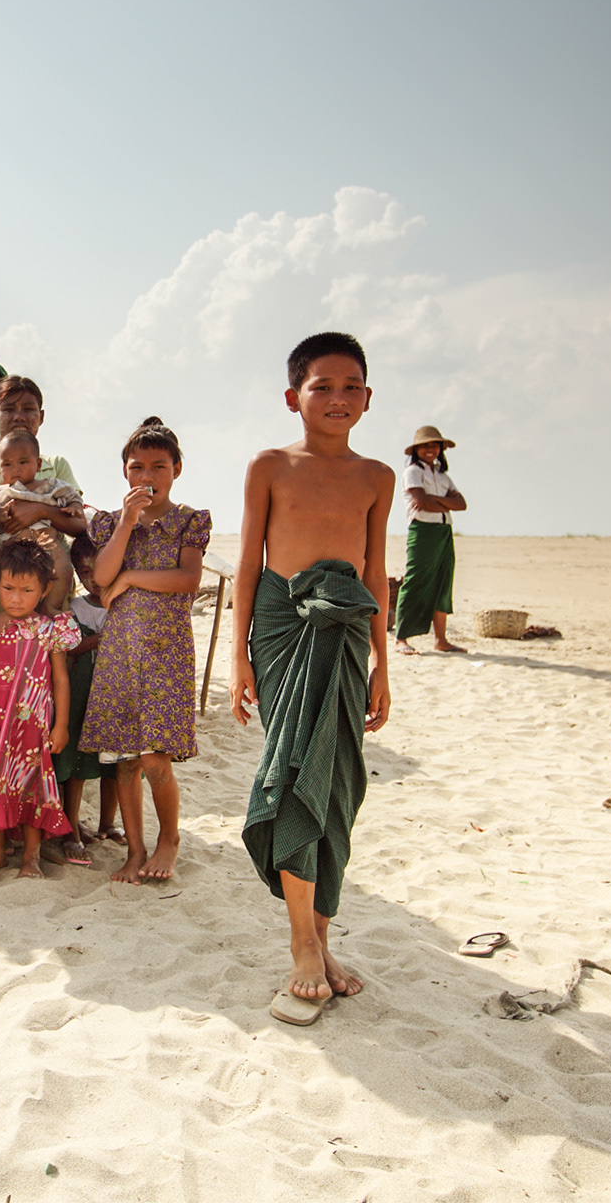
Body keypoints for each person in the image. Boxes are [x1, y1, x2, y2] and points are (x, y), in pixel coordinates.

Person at [229, 331, 394, 1025]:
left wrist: (383, 662)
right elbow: (245, 561)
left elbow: (377, 571)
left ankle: (321, 940)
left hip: (350, 635)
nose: (336, 398)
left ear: (367, 398)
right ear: (293, 397)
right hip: (281, 628)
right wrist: (238, 651)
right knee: (294, 769)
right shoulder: (269, 465)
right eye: (321, 386)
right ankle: (300, 944)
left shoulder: (378, 478)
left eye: (349, 386)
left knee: (338, 783)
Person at [79, 417, 211, 885]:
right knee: (124, 760)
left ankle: (168, 839)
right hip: (119, 652)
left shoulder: (189, 521)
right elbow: (101, 576)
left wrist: (132, 579)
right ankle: (134, 850)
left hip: (167, 650)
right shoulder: (111, 524)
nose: (147, 477)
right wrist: (128, 522)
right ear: (124, 473)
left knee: (156, 758)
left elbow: (187, 580)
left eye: (158, 466)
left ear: (177, 468)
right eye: (137, 468)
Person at [0, 540, 81, 879]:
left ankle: (31, 858)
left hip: (32, 729)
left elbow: (61, 680)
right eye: (9, 588)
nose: (17, 598)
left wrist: (61, 725)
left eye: (27, 590)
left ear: (44, 589)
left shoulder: (51, 630)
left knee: (30, 786)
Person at [53, 531, 114, 864]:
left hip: (116, 694)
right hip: (82, 693)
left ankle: (108, 824)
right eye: (84, 572)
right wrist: (103, 638)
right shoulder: (77, 607)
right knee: (76, 763)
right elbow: (71, 646)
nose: (92, 580)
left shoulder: (123, 601)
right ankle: (71, 828)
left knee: (116, 764)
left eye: (98, 569)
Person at [0, 429, 83, 612]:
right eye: (7, 464)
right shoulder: (0, 492)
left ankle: (51, 607)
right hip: (12, 547)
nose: (15, 468)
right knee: (2, 578)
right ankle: (2, 614)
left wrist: (75, 506)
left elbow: (72, 496)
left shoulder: (51, 486)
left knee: (63, 570)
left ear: (38, 464)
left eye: (23, 462)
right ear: (0, 468)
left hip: (46, 542)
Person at [393, 426, 467, 655]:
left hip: (444, 531)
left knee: (443, 581)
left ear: (441, 449)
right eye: (425, 445)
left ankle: (440, 640)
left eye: (434, 445)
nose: (430, 449)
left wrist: (433, 497)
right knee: (416, 580)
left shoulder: (443, 476)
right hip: (423, 529)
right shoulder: (413, 472)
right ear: (417, 449)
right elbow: (421, 503)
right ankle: (401, 638)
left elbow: (462, 504)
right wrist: (443, 501)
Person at [0, 376, 87, 502]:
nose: (19, 417)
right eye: (9, 409)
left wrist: (38, 512)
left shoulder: (56, 465)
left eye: (28, 410)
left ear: (41, 417)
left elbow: (77, 514)